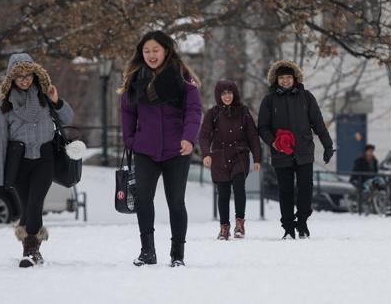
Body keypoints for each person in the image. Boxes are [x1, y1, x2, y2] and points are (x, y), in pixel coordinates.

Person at [119, 31, 202, 267]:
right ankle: (147, 252)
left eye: (156, 50)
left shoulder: (183, 79)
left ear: (166, 50)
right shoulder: (134, 80)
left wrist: (188, 138)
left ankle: (177, 254)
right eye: (147, 51)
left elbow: (194, 111)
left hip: (177, 150)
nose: (151, 55)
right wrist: (130, 140)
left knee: (176, 202)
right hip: (145, 150)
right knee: (143, 199)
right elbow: (127, 110)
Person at [0, 53, 74, 267]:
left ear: (35, 74)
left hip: (44, 159)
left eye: (29, 75)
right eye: (20, 76)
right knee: (27, 206)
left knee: (35, 203)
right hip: (18, 162)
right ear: (12, 78)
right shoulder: (5, 105)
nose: (25, 79)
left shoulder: (45, 96)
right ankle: (32, 247)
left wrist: (57, 101)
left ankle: (30, 253)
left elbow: (68, 119)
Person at [258, 60, 334, 239]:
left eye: (288, 77)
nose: (285, 81)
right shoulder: (269, 100)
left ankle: (302, 222)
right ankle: (288, 227)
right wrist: (273, 142)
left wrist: (328, 145)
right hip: (281, 152)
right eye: (282, 78)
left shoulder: (306, 97)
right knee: (285, 191)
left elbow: (318, 123)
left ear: (295, 79)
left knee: (305, 189)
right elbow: (262, 127)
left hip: (304, 151)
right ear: (276, 80)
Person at [199, 80, 262, 240]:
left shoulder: (244, 112)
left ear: (234, 94)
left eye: (229, 93)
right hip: (219, 156)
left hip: (239, 154)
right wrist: (206, 154)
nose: (227, 96)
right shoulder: (213, 113)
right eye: (223, 93)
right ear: (219, 96)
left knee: (239, 186)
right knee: (223, 192)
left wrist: (257, 158)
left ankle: (239, 224)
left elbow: (253, 136)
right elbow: (204, 135)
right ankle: (224, 227)